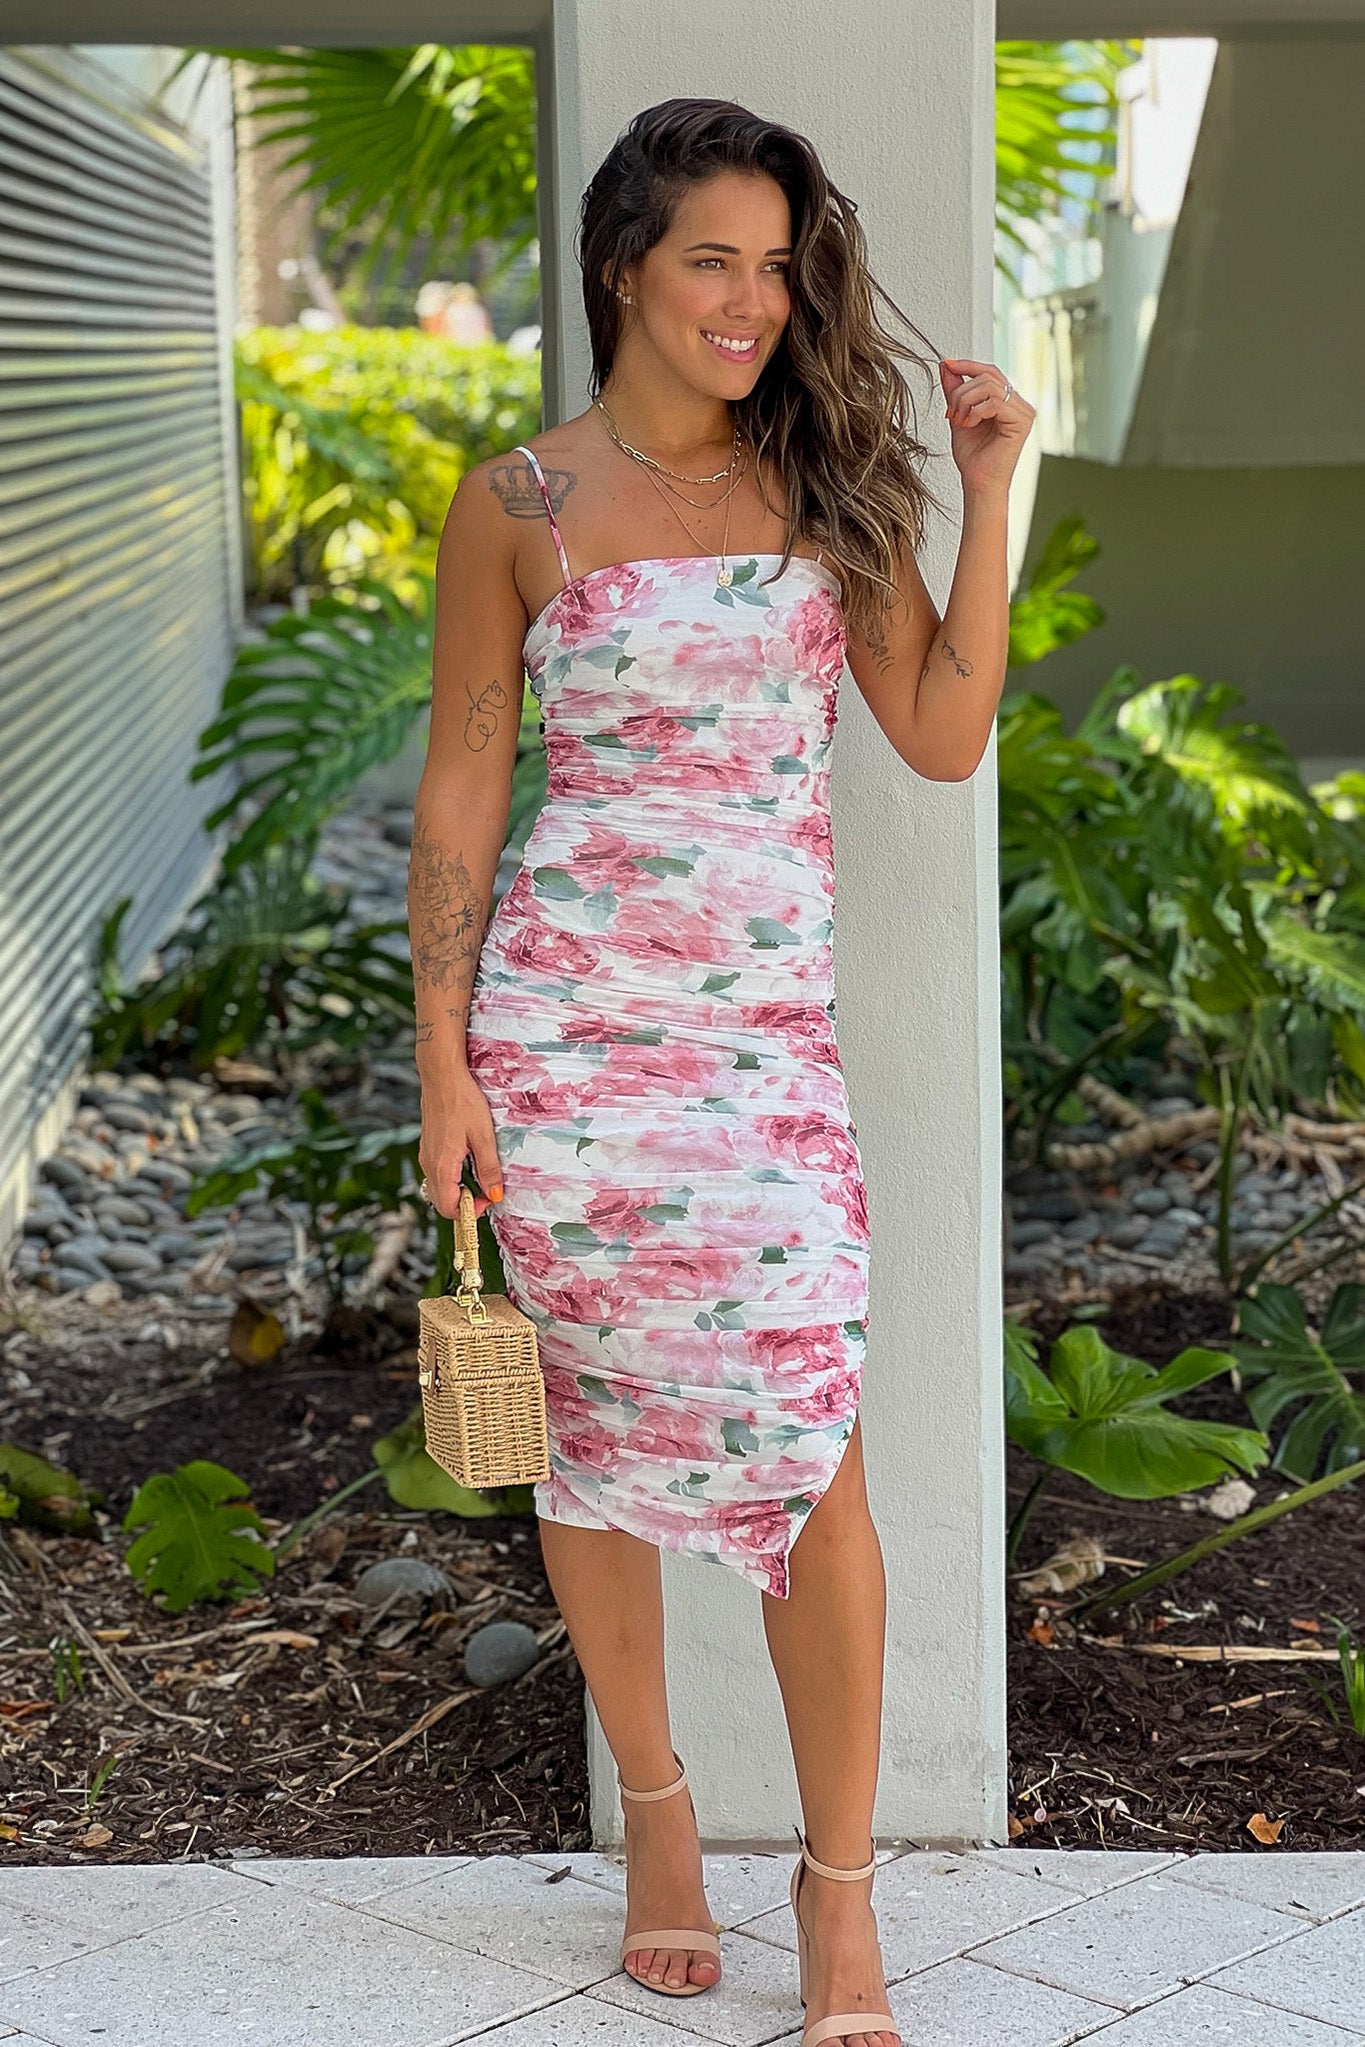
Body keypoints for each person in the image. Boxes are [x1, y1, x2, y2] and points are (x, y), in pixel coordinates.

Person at [409, 96, 1033, 2047]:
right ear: (622, 265)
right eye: (713, 260)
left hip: (757, 1073)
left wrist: (988, 485)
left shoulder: (828, 486)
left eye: (775, 265)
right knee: (583, 1440)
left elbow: (937, 733)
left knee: (805, 1463)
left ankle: (835, 1904)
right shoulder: (513, 504)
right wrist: (441, 1059)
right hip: (564, 1051)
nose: (752, 301)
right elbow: (461, 783)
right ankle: (658, 1821)